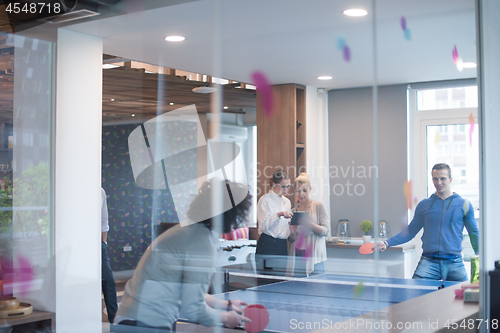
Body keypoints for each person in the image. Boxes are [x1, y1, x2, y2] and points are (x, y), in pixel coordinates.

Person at [113, 180, 252, 332]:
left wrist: (228, 305)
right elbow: (194, 309)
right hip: (145, 324)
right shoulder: (200, 242)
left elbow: (186, 291)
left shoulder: (188, 230)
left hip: (130, 319)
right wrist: (225, 318)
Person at [377, 163, 479, 281]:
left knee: (464, 296)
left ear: (450, 180)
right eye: (435, 178)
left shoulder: (464, 205)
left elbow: (474, 232)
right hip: (429, 262)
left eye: (443, 178)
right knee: (415, 296)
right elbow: (410, 232)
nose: (439, 182)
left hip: (455, 262)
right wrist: (387, 242)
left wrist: (481, 254)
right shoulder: (424, 205)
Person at [287, 172, 330, 277]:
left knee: (317, 290)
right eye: (297, 191)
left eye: (304, 190)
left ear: (310, 189)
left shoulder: (318, 206)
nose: (301, 194)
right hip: (298, 256)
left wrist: (310, 224)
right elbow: (291, 240)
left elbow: (326, 231)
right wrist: (292, 233)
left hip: (314, 257)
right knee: (297, 290)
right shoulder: (293, 210)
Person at [256, 170, 294, 265]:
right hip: (268, 244)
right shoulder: (265, 200)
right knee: (266, 279)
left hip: (282, 244)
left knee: (280, 279)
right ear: (274, 184)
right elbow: (262, 227)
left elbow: (286, 227)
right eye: (283, 187)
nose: (286, 190)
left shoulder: (287, 202)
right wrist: (278, 215)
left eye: (288, 186)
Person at [102, 187, 118, 323]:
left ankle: (114, 320)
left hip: (98, 244)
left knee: (108, 282)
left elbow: (104, 221)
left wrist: (103, 243)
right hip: (79, 244)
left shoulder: (100, 191)